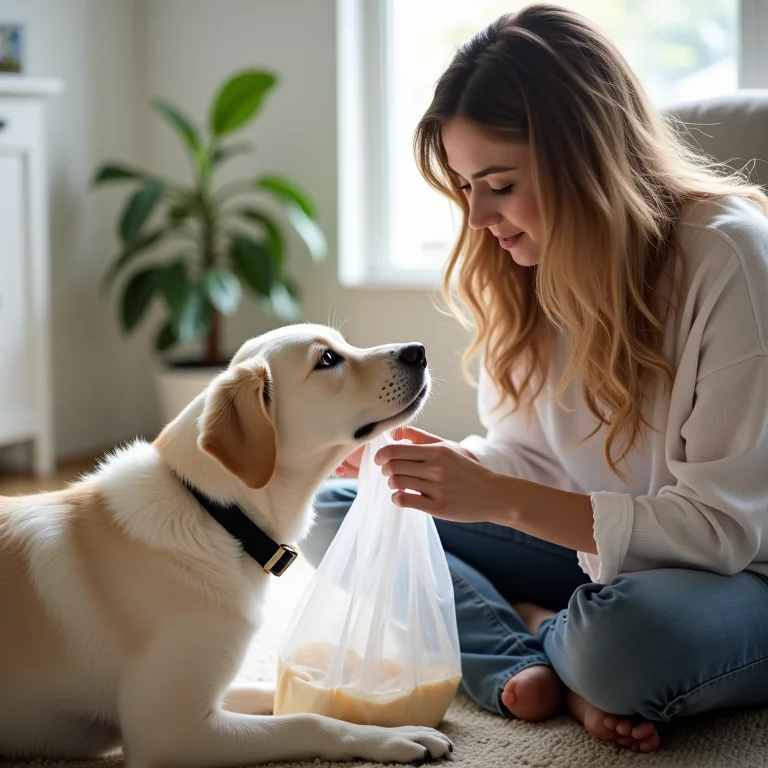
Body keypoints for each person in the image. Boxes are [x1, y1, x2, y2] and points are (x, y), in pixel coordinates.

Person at [302, 3, 768, 754]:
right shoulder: (522, 269)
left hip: (741, 571)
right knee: (339, 507)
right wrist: (445, 464)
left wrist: (504, 497)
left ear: (582, 158)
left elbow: (720, 530)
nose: (479, 214)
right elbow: (531, 461)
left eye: (499, 183)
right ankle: (528, 652)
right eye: (464, 186)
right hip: (594, 550)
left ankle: (545, 629)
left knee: (617, 645)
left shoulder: (729, 260)